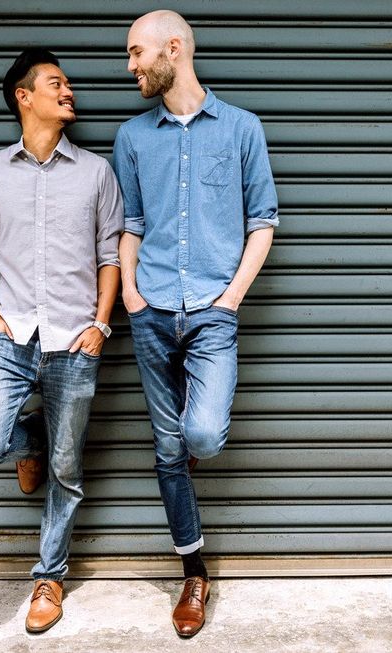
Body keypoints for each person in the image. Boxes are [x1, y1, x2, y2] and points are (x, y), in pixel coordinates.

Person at [113, 10, 279, 638]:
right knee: (165, 450)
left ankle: (189, 446)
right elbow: (130, 224)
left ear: (172, 50)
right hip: (151, 309)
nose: (129, 67)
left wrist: (231, 299)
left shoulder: (241, 129)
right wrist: (130, 294)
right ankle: (194, 570)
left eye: (136, 53)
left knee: (200, 437)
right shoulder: (133, 137)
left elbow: (261, 222)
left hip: (213, 314)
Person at [0, 48, 123, 633]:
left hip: (75, 342)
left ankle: (49, 576)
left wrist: (100, 325)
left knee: (67, 468)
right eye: (56, 83)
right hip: (13, 335)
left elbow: (110, 255)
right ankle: (28, 441)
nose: (68, 91)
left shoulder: (97, 172)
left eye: (68, 83)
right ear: (24, 97)